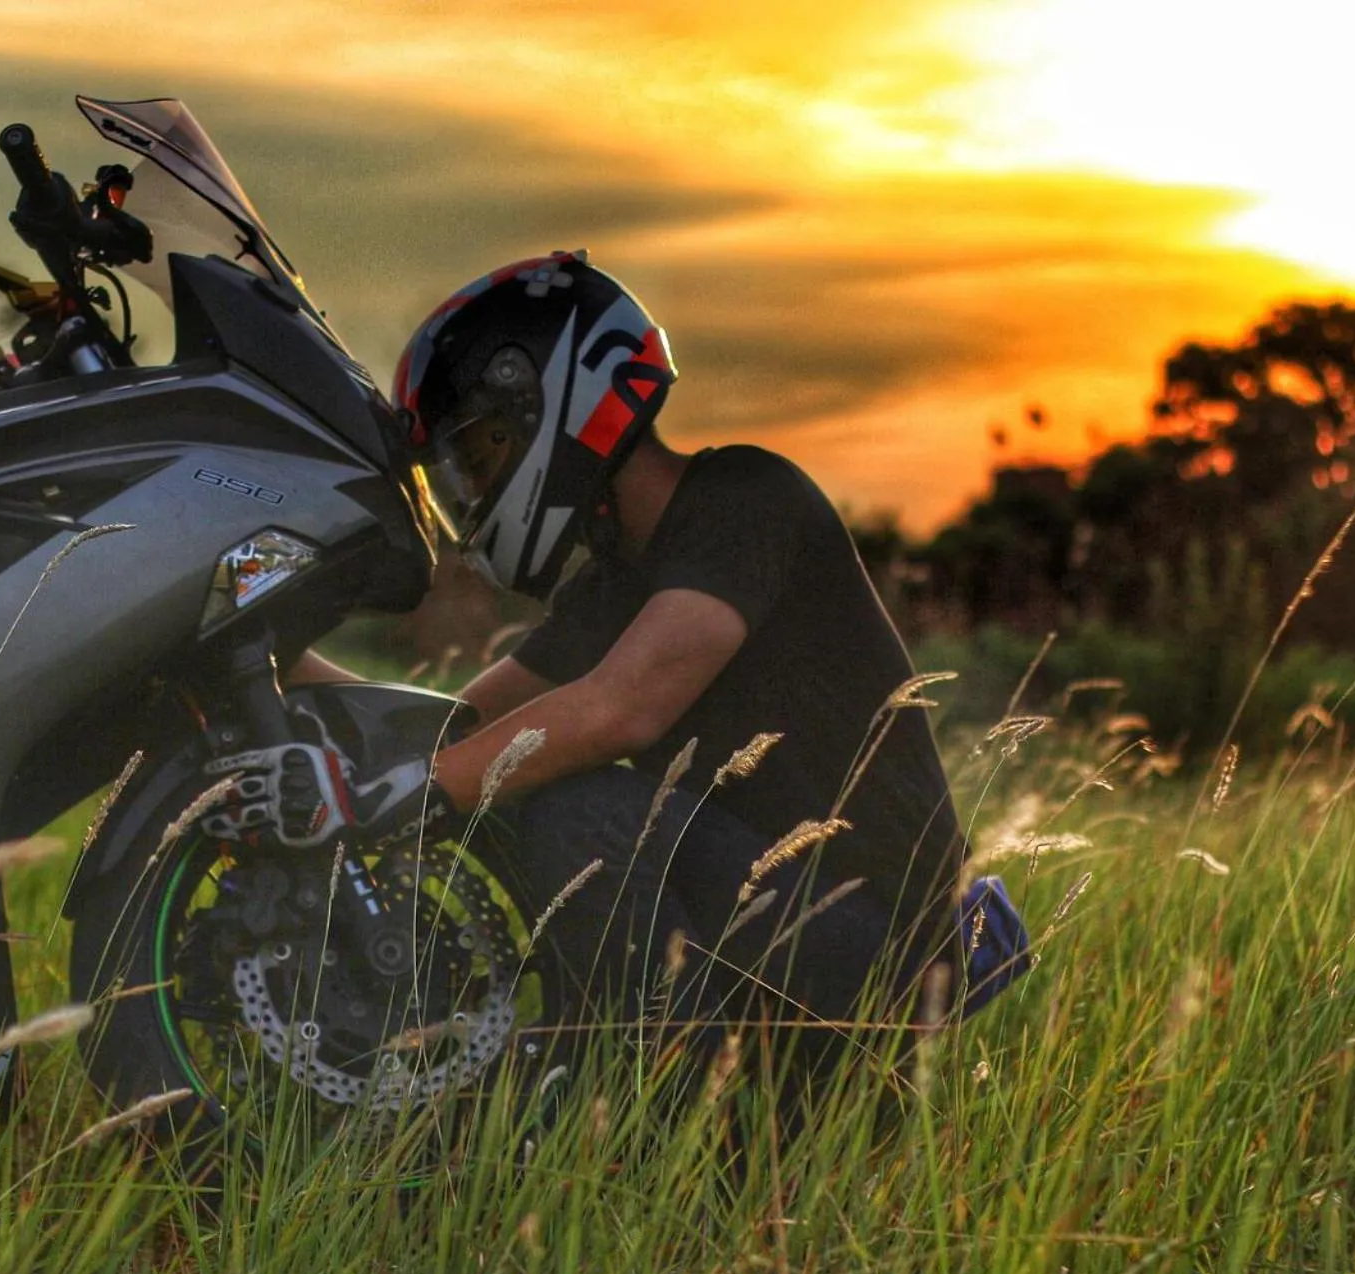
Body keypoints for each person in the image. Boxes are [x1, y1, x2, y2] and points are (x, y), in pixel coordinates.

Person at [238, 251, 1024, 1080]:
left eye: (483, 450)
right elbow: (464, 728)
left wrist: (396, 796)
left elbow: (621, 711)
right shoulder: (620, 580)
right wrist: (283, 664)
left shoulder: (746, 498)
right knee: (519, 779)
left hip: (887, 941)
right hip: (793, 920)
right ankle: (630, 1078)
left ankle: (648, 1102)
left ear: (552, 400)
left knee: (574, 805)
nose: (470, 488)